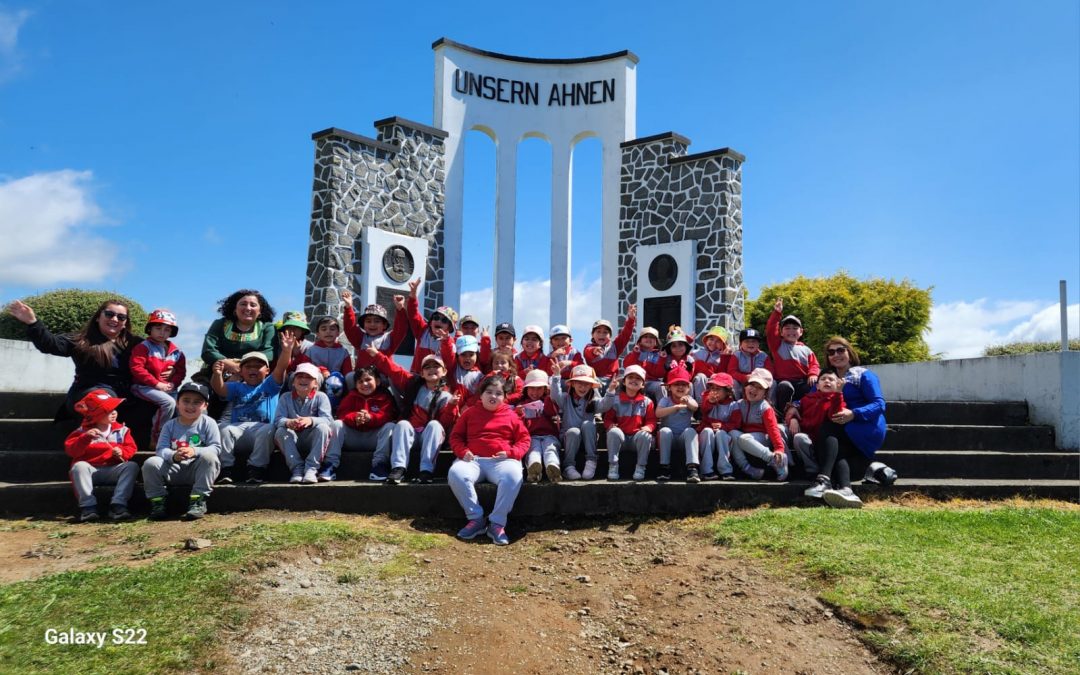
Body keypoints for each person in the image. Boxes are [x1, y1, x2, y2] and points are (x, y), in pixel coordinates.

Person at [7, 298, 137, 413]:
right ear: (98, 317)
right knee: (102, 400)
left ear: (125, 322)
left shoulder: (136, 343)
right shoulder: (81, 340)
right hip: (90, 394)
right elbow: (50, 344)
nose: (114, 319)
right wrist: (33, 323)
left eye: (121, 317)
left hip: (126, 395)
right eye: (109, 314)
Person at [807, 337, 891, 508]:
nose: (836, 355)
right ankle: (846, 489)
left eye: (840, 350)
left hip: (865, 425)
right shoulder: (828, 377)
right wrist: (793, 408)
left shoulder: (863, 374)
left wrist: (854, 413)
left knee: (827, 429)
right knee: (835, 450)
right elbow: (809, 396)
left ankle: (824, 481)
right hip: (842, 427)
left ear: (850, 353)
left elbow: (879, 403)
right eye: (831, 352)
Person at [448, 374, 530, 546]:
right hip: (473, 460)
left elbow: (524, 440)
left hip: (502, 462)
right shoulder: (469, 413)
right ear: (481, 394)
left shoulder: (512, 415)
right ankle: (476, 519)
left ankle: (497, 523)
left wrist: (510, 453)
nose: (493, 396)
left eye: (499, 393)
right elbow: (455, 437)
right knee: (456, 473)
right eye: (489, 392)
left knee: (513, 475)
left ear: (505, 397)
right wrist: (463, 452)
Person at [366, 344, 458, 484]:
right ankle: (398, 468)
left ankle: (426, 471)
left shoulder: (447, 396)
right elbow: (394, 370)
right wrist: (377, 355)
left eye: (436, 366)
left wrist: (451, 406)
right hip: (411, 436)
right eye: (427, 367)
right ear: (421, 373)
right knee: (402, 424)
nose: (431, 369)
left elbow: (445, 424)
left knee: (434, 425)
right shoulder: (413, 384)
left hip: (430, 437)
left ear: (444, 371)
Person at [211, 335, 293, 485]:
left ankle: (256, 468)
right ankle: (226, 469)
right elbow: (220, 389)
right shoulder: (237, 387)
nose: (253, 369)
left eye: (258, 366)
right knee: (223, 428)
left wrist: (286, 351)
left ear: (267, 370)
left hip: (262, 430)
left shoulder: (270, 385)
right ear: (241, 371)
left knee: (269, 428)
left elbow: (281, 367)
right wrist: (217, 375)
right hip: (239, 429)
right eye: (248, 367)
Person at [143, 382, 222, 520]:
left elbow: (216, 447)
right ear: (177, 403)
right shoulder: (169, 425)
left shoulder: (209, 423)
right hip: (173, 469)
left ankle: (198, 500)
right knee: (151, 463)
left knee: (210, 458)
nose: (190, 406)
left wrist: (194, 451)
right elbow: (161, 449)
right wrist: (173, 455)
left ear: (205, 406)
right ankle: (158, 502)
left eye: (197, 402)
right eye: (186, 401)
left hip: (197, 470)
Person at [64, 389, 139, 522]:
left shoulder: (122, 430)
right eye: (108, 410)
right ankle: (88, 507)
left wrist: (122, 452)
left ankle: (118, 504)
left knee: (131, 466)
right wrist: (84, 438)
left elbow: (131, 448)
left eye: (115, 409)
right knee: (78, 466)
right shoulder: (82, 431)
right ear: (95, 414)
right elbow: (71, 451)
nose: (114, 412)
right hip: (90, 470)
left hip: (112, 469)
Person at [327, 365, 398, 482]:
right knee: (337, 424)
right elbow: (342, 413)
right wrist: (355, 417)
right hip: (353, 438)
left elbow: (388, 415)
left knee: (391, 427)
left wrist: (371, 418)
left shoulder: (384, 397)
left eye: (368, 380)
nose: (364, 384)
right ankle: (330, 464)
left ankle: (379, 465)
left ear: (378, 381)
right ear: (355, 385)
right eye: (360, 381)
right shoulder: (351, 396)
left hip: (373, 439)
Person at [129, 309, 186, 447]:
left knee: (184, 405)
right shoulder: (143, 347)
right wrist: (156, 384)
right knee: (168, 403)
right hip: (143, 387)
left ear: (172, 332)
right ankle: (157, 437)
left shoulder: (177, 352)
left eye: (167, 329)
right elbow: (137, 368)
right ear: (150, 329)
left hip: (166, 388)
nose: (162, 332)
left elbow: (181, 372)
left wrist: (173, 384)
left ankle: (182, 438)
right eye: (158, 328)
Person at [273, 362, 334, 484]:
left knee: (323, 428)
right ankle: (297, 469)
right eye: (300, 376)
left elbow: (328, 419)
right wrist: (288, 422)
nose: (303, 380)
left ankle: (311, 469)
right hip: (293, 438)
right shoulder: (285, 397)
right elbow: (278, 420)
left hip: (312, 438)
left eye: (308, 377)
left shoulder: (321, 397)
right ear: (293, 381)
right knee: (280, 431)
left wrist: (311, 420)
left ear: (316, 383)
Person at [199, 289, 278, 380]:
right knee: (192, 393)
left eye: (253, 305)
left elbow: (268, 353)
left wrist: (244, 368)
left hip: (252, 376)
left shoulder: (267, 327)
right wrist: (229, 364)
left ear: (260, 311)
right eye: (243, 304)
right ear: (235, 309)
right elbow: (208, 351)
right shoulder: (220, 324)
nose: (248, 308)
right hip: (215, 373)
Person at [785, 370, 847, 481]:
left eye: (831, 379)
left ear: (837, 384)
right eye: (823, 379)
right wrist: (793, 419)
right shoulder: (807, 399)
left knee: (800, 438)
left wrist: (838, 394)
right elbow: (792, 411)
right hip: (802, 431)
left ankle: (812, 470)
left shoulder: (838, 400)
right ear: (817, 385)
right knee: (780, 429)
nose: (827, 381)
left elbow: (834, 415)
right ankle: (785, 463)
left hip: (818, 442)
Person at [599, 364, 657, 481]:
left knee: (645, 436)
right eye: (630, 377)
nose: (634, 380)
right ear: (624, 382)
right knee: (613, 432)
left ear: (642, 384)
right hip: (622, 440)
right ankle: (613, 465)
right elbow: (608, 419)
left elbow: (652, 421)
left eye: (638, 378)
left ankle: (641, 467)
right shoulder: (615, 400)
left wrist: (648, 427)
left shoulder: (647, 402)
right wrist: (610, 425)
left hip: (637, 440)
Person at [729, 368, 788, 481]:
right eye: (752, 385)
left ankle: (773, 460)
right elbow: (732, 423)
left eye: (759, 388)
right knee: (732, 434)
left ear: (765, 393)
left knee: (743, 438)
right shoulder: (739, 404)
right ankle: (747, 468)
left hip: (762, 437)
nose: (754, 390)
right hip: (747, 438)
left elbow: (773, 429)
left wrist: (779, 449)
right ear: (745, 386)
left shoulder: (765, 407)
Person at [550, 364, 602, 480]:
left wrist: (611, 391)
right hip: (570, 439)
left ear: (591, 386)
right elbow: (554, 395)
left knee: (588, 425)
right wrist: (557, 375)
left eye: (587, 384)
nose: (583, 387)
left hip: (588, 438)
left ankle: (591, 461)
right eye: (579, 383)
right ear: (572, 384)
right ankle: (568, 466)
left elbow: (605, 405)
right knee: (574, 431)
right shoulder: (565, 398)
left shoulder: (593, 401)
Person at [766, 298, 820, 410]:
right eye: (787, 328)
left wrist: (813, 374)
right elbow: (771, 330)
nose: (791, 331)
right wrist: (777, 313)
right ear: (781, 332)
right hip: (784, 381)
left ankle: (806, 412)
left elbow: (814, 365)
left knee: (815, 386)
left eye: (795, 328)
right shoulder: (777, 345)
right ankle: (782, 414)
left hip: (802, 382)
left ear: (801, 332)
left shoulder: (807, 350)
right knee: (784, 387)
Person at [341, 289, 408, 370]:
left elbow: (401, 329)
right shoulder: (360, 338)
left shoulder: (389, 338)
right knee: (350, 377)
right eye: (368, 321)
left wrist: (400, 309)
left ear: (384, 325)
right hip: (363, 379)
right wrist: (348, 307)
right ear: (363, 324)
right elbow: (349, 328)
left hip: (384, 378)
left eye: (377, 321)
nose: (372, 324)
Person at [402, 277, 458, 373]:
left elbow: (450, 363)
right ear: (431, 321)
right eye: (436, 318)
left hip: (436, 380)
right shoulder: (423, 331)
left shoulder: (450, 343)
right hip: (417, 376)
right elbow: (413, 314)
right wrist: (413, 295)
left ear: (449, 327)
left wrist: (445, 341)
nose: (439, 321)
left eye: (444, 320)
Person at [655, 367, 701, 482]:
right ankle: (664, 467)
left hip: (682, 439)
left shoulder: (689, 399)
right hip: (668, 439)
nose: (680, 387)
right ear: (669, 387)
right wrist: (675, 408)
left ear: (688, 387)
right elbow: (658, 413)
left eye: (684, 385)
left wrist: (687, 402)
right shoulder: (665, 400)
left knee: (691, 431)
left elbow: (695, 407)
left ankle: (692, 468)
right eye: (676, 384)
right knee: (665, 431)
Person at [516, 369, 562, 483]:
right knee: (533, 449)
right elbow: (519, 426)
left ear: (545, 389)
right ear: (526, 389)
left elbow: (552, 411)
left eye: (539, 388)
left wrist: (548, 400)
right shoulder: (522, 405)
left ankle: (553, 466)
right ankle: (533, 468)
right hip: (531, 436)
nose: (535, 392)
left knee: (550, 449)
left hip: (549, 434)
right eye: (532, 388)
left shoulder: (548, 401)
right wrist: (520, 414)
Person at [584, 303, 637, 389]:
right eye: (598, 332)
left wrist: (631, 319)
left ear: (610, 336)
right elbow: (588, 352)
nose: (602, 335)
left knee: (624, 382)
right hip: (596, 380)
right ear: (592, 334)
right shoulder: (588, 347)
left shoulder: (615, 346)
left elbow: (625, 334)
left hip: (613, 381)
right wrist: (594, 351)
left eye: (605, 332)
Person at [697, 372, 738, 480]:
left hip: (722, 433)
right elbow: (703, 411)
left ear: (727, 391)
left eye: (718, 389)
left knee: (722, 434)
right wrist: (710, 402)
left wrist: (723, 426)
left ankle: (726, 470)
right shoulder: (707, 399)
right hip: (707, 433)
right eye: (712, 388)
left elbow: (736, 423)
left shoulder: (733, 405)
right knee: (707, 431)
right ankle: (706, 470)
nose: (714, 391)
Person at [726, 327, 772, 400]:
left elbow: (769, 373)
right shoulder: (736, 355)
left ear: (758, 344)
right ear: (741, 344)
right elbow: (731, 372)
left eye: (754, 341)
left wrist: (757, 379)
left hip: (759, 384)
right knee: (733, 382)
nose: (750, 343)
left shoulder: (764, 356)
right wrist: (745, 377)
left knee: (773, 383)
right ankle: (735, 406)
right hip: (741, 383)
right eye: (747, 341)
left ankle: (770, 406)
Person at [624, 327, 666, 402]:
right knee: (619, 382)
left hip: (650, 383)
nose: (648, 339)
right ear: (640, 341)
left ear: (656, 342)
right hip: (635, 381)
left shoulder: (658, 355)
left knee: (661, 386)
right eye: (645, 337)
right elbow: (627, 367)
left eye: (652, 337)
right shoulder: (635, 352)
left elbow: (659, 374)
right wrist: (635, 354)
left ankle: (663, 409)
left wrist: (662, 359)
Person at [444, 334, 485, 408]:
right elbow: (447, 354)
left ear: (477, 355)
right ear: (457, 356)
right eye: (463, 354)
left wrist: (468, 406)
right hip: (451, 408)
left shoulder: (480, 375)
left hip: (469, 411)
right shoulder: (453, 368)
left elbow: (479, 395)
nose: (467, 358)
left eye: (471, 355)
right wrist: (446, 341)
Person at [691, 326, 732, 400]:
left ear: (723, 344)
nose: (713, 343)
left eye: (718, 341)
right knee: (701, 375)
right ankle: (701, 403)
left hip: (714, 384)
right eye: (711, 339)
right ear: (706, 340)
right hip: (698, 382)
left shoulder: (723, 357)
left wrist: (725, 357)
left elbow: (722, 374)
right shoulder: (696, 353)